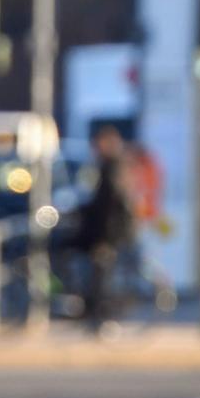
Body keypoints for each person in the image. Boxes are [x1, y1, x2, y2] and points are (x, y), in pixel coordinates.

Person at [76, 124, 136, 328]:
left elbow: (107, 206)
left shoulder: (111, 168)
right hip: (111, 232)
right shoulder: (117, 165)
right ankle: (98, 314)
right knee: (102, 274)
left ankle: (101, 317)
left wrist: (104, 236)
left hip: (108, 233)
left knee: (101, 276)